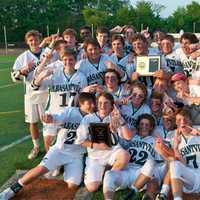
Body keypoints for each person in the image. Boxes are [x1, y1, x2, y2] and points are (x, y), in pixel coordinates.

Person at [0, 92, 96, 200]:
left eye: (94, 103)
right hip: (59, 150)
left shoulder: (94, 117)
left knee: (72, 185)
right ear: (81, 103)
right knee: (40, 169)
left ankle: (63, 168)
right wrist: (49, 118)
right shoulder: (70, 111)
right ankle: (11, 190)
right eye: (89, 103)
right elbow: (56, 117)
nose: (93, 106)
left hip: (76, 155)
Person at [75, 92, 133, 192]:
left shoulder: (115, 117)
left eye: (106, 103)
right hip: (95, 156)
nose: (102, 106)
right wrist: (96, 145)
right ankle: (93, 171)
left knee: (125, 155)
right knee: (92, 188)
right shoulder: (88, 119)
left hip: (112, 152)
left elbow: (128, 137)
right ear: (97, 104)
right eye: (100, 103)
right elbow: (80, 141)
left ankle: (108, 177)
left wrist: (120, 120)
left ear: (111, 105)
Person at [32, 48, 88, 152]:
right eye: (65, 59)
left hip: (71, 114)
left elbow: (82, 99)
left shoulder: (81, 77)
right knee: (49, 143)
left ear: (75, 61)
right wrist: (42, 76)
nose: (68, 62)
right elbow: (35, 86)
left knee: (68, 145)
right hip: (53, 112)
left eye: (71, 59)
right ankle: (54, 167)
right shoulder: (54, 74)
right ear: (62, 61)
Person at [103, 114, 160, 200]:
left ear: (151, 127)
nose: (143, 127)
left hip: (142, 174)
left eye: (147, 124)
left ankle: (133, 192)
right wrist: (114, 131)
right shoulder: (131, 136)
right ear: (138, 125)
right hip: (127, 171)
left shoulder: (155, 141)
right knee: (109, 174)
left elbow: (159, 161)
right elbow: (117, 144)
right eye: (141, 124)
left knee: (151, 163)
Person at [10, 30, 48, 160]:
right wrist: (22, 71)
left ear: (39, 39)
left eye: (36, 39)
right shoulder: (23, 57)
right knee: (32, 122)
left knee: (48, 121)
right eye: (31, 40)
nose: (34, 42)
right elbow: (14, 77)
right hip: (31, 93)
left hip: (47, 91)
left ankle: (50, 147)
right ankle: (36, 146)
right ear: (27, 42)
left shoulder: (46, 53)